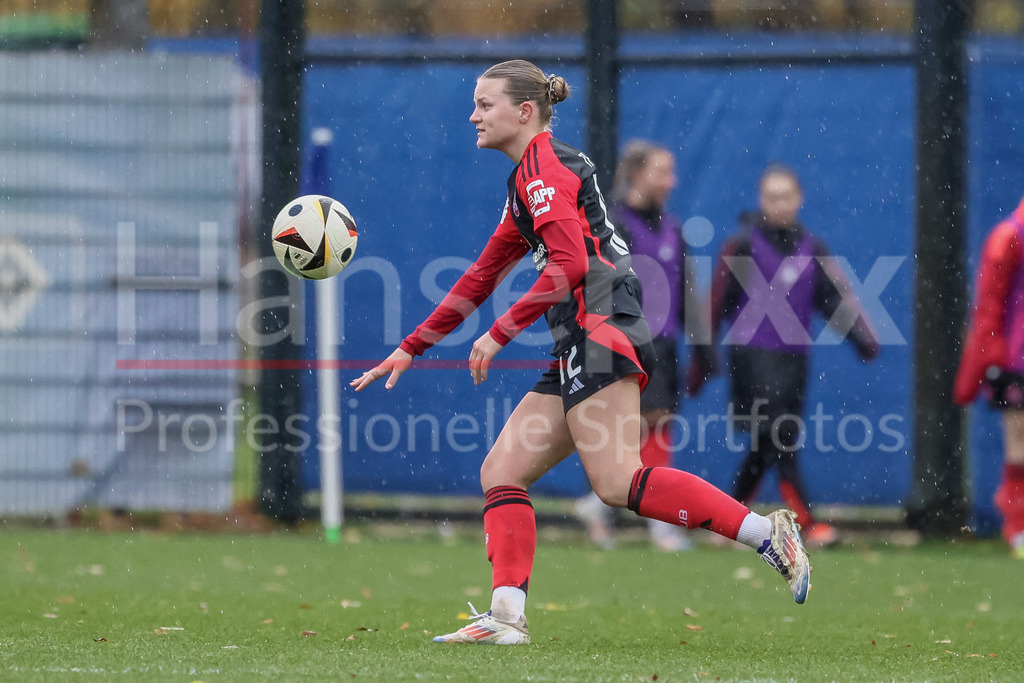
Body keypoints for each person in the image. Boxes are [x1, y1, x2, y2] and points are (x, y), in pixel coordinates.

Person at [351, 60, 811, 646]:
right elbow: (481, 275)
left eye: (485, 104)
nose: (473, 116)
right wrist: (410, 347)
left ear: (524, 111)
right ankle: (506, 617)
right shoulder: (529, 177)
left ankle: (765, 534)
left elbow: (569, 264)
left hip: (600, 328)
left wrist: (500, 332)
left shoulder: (543, 170)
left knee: (617, 482)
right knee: (502, 471)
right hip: (586, 332)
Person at [703, 165, 879, 548]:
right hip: (751, 359)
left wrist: (860, 338)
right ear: (761, 200)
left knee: (765, 444)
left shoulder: (812, 249)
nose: (779, 204)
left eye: (785, 196)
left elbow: (832, 299)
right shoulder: (742, 246)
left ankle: (729, 521)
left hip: (794, 360)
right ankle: (808, 524)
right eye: (771, 197)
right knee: (779, 437)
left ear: (799, 199)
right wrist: (704, 357)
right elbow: (716, 304)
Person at [572, 140, 717, 553]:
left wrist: (703, 349)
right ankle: (659, 523)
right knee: (638, 426)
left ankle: (599, 507)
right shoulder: (613, 224)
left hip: (663, 345)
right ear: (636, 175)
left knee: (652, 424)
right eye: (662, 172)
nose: (671, 182)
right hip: (624, 341)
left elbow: (685, 291)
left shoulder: (672, 227)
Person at [954, 194, 1024, 558]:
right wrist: (989, 361)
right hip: (1017, 359)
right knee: (1019, 439)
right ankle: (1018, 525)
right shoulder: (1009, 235)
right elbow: (989, 303)